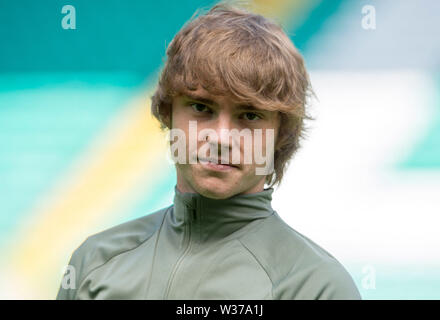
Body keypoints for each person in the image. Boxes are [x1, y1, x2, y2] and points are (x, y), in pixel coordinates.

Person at [56, 2, 361, 300]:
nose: (221, 137)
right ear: (168, 113)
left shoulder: (316, 286)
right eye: (201, 107)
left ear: (280, 135)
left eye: (250, 115)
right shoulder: (95, 261)